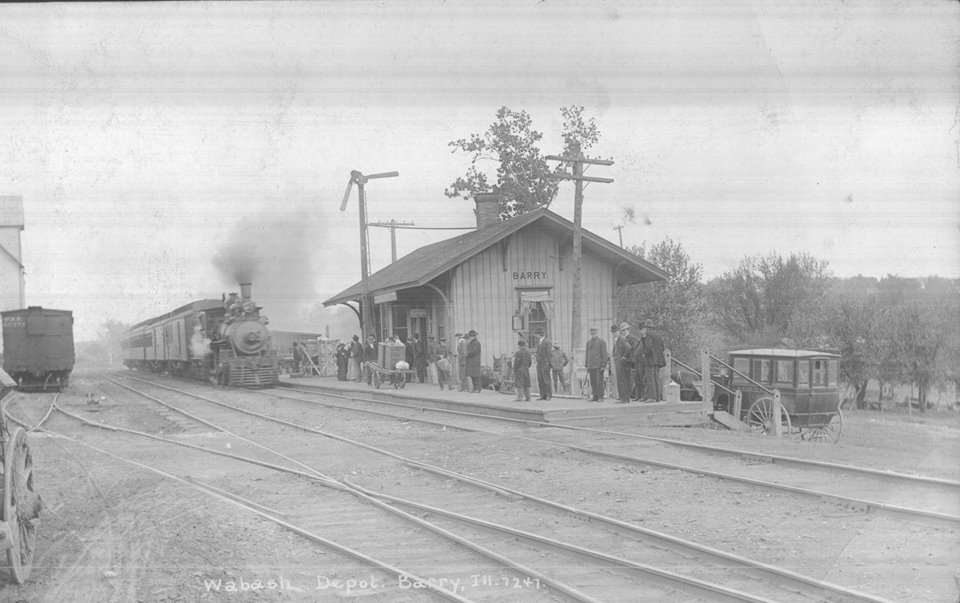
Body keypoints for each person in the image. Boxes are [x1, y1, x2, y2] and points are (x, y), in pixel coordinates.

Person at [637, 319, 666, 401]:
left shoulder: (648, 335)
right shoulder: (658, 335)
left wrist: (645, 354)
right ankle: (657, 397)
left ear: (647, 327)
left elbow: (648, 347)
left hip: (650, 360)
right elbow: (662, 348)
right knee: (656, 378)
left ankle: (652, 397)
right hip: (658, 360)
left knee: (650, 378)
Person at [613, 322, 637, 403]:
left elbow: (631, 349)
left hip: (626, 363)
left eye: (625, 330)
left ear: (628, 329)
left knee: (625, 380)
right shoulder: (620, 339)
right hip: (621, 362)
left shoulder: (630, 338)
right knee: (622, 380)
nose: (623, 332)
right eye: (622, 330)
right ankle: (623, 397)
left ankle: (625, 397)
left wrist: (626, 358)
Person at [584, 327, 608, 401]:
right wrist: (587, 364)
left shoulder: (602, 342)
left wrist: (603, 365)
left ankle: (600, 397)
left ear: (597, 333)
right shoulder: (588, 343)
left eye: (594, 333)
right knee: (593, 382)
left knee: (599, 382)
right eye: (591, 333)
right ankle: (595, 396)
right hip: (591, 366)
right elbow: (587, 354)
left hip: (598, 366)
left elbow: (604, 355)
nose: (593, 335)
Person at [534, 328, 552, 401]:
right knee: (540, 380)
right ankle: (543, 395)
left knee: (546, 380)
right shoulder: (540, 342)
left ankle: (548, 395)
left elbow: (549, 353)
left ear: (539, 334)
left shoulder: (547, 342)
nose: (536, 336)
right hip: (540, 363)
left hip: (544, 363)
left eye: (536, 334)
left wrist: (547, 362)